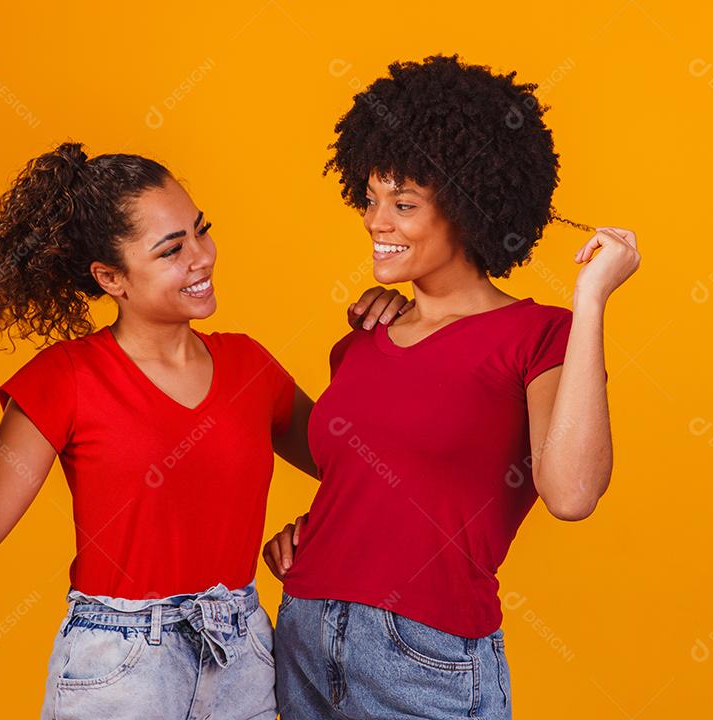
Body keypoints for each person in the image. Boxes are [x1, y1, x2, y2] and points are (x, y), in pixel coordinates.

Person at [0, 142, 409, 719]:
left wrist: (398, 334)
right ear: (111, 278)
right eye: (172, 250)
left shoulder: (251, 369)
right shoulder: (68, 377)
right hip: (119, 670)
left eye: (201, 230)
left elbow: (371, 471)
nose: (200, 257)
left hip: (241, 656)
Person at [263, 54, 640, 719]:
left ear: (466, 209)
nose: (377, 220)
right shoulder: (361, 339)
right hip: (300, 635)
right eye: (371, 198)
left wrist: (591, 303)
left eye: (403, 204)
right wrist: (309, 537)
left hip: (423, 655)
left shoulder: (541, 337)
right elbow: (373, 483)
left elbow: (572, 493)